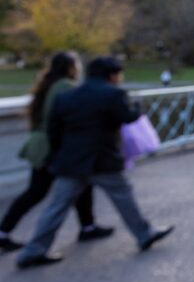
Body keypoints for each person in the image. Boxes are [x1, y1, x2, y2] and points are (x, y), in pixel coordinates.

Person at [16, 57, 173, 269]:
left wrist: (56, 156)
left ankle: (33, 249)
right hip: (102, 159)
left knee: (56, 207)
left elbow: (54, 131)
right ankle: (144, 234)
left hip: (71, 161)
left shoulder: (66, 97)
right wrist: (136, 108)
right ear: (112, 75)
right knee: (123, 197)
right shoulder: (113, 94)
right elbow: (127, 117)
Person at [0, 52, 112, 254]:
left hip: (45, 144)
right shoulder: (65, 87)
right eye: (76, 64)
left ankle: (88, 226)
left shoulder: (50, 85)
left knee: (77, 185)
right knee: (38, 192)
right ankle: (4, 233)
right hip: (52, 147)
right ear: (70, 68)